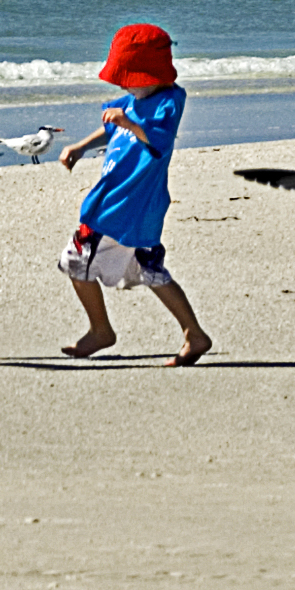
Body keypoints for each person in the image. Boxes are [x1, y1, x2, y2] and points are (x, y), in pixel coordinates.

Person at [57, 24, 213, 366]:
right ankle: (195, 334)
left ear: (154, 73)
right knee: (151, 270)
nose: (124, 84)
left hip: (120, 207)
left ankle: (100, 330)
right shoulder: (134, 100)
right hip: (132, 209)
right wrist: (81, 147)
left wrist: (128, 122)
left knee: (74, 259)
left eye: (130, 77)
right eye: (121, 78)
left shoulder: (168, 103)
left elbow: (158, 140)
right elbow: (111, 128)